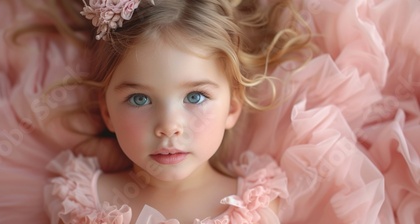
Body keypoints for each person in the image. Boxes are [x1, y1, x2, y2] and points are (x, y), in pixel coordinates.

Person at [43, 0, 311, 223]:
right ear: (107, 112)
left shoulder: (256, 207)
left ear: (232, 106)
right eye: (139, 99)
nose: (169, 126)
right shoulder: (79, 202)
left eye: (195, 97)